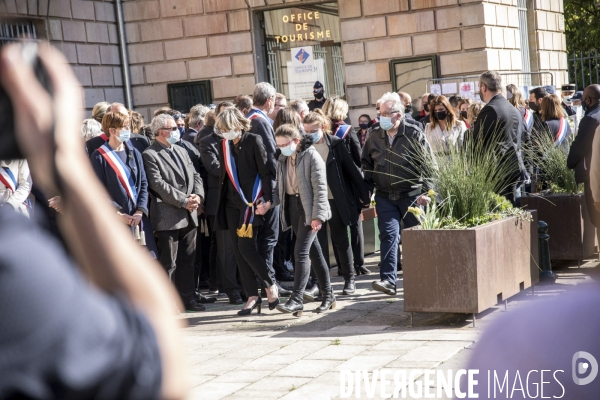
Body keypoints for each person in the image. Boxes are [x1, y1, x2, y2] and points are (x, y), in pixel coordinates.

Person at [0, 43, 188, 400]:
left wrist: (138, 210)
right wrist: (63, 161)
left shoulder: (131, 150)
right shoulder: (11, 253)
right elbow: (159, 366)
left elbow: (142, 183)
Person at [362, 92, 432, 295]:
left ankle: (424, 279)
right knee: (388, 236)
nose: (380, 116)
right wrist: (368, 190)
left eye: (385, 113)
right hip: (385, 196)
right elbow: (366, 162)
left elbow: (429, 166)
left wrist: (427, 192)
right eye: (380, 112)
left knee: (417, 238)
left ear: (398, 115)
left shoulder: (413, 133)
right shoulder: (374, 135)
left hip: (411, 195)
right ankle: (388, 281)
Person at [214, 107, 280, 315]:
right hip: (231, 204)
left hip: (251, 202)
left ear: (239, 125)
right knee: (238, 250)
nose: (225, 133)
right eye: (222, 129)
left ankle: (270, 284)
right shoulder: (224, 145)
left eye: (228, 128)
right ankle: (252, 295)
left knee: (247, 248)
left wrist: (268, 200)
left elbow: (266, 172)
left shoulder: (254, 140)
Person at [142, 113, 207, 312]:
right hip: (168, 216)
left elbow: (195, 174)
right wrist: (184, 201)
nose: (177, 131)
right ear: (162, 132)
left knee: (188, 261)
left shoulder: (181, 150)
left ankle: (187, 299)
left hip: (190, 213)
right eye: (173, 128)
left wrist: (197, 196)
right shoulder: (150, 154)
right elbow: (158, 185)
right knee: (168, 262)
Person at [274, 124, 337, 316]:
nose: (281, 147)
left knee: (300, 252)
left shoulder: (311, 155)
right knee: (314, 252)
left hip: (309, 209)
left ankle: (297, 299)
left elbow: (320, 188)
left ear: (296, 141)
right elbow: (280, 188)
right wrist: (268, 203)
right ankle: (329, 295)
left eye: (284, 143)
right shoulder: (283, 158)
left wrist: (318, 216)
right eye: (278, 144)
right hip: (293, 207)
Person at [306, 110, 370, 295]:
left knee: (341, 240)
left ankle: (349, 279)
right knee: (317, 243)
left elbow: (352, 170)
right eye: (306, 130)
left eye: (312, 130)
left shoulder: (336, 144)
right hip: (315, 201)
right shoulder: (303, 147)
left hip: (335, 199)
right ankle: (319, 283)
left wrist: (364, 194)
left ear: (323, 127)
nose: (309, 134)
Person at [90, 111, 158, 258]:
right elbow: (98, 192)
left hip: (139, 220)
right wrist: (119, 215)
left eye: (128, 127)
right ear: (112, 131)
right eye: (125, 127)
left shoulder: (134, 152)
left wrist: (140, 211)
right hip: (117, 221)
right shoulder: (99, 156)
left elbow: (144, 183)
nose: (128, 130)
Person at [247, 82, 290, 295]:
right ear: (270, 100)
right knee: (269, 238)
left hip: (255, 188)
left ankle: (266, 281)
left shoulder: (250, 119)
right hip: (265, 188)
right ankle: (269, 283)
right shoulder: (261, 122)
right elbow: (270, 159)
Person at [199, 105, 243, 305]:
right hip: (220, 202)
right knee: (226, 248)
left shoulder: (243, 140)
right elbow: (214, 168)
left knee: (243, 246)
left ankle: (245, 287)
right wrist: (241, 171)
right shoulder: (208, 142)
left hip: (242, 200)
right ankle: (231, 289)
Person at [473, 71, 528, 205]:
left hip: (498, 177)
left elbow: (477, 147)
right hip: (515, 171)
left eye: (479, 86)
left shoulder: (490, 110)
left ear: (484, 87)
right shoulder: (514, 109)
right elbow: (524, 140)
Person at [567, 84, 600, 227]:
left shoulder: (591, 119)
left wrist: (570, 162)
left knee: (597, 221)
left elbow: (580, 146)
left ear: (588, 100)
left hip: (594, 177)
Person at [85, 102, 150, 156]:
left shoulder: (142, 140)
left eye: (127, 117)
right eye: (119, 117)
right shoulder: (93, 145)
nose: (125, 120)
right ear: (109, 119)